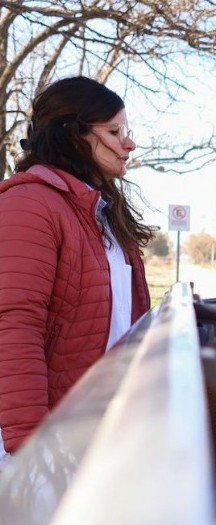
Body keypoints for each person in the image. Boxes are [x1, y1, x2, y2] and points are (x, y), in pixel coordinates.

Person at [0, 76, 155, 456]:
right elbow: (14, 326)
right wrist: (29, 451)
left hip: (86, 434)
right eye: (114, 131)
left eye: (127, 131)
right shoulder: (30, 205)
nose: (129, 143)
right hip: (40, 444)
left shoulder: (99, 211)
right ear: (73, 135)